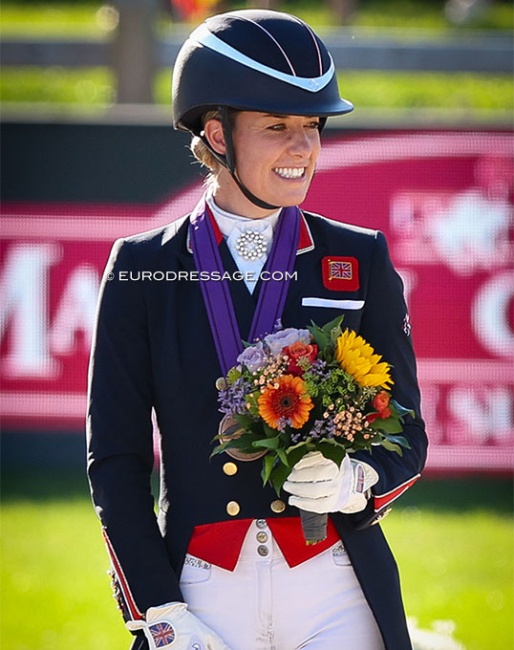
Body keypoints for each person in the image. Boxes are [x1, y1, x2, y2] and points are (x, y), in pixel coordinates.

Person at [86, 9, 428, 650]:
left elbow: (406, 431)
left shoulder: (359, 260)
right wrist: (157, 608)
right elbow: (116, 461)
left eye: (312, 127)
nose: (304, 148)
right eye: (277, 127)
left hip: (336, 587)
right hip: (200, 594)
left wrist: (360, 479)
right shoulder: (141, 268)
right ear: (216, 135)